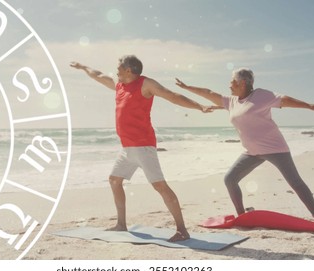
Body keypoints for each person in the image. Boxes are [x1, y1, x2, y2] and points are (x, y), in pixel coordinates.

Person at [70, 55, 217, 241]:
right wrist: (83, 66)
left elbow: (172, 96)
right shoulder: (119, 85)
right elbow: (98, 75)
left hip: (143, 146)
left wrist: (199, 107)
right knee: (114, 180)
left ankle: (182, 230)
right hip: (127, 148)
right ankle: (121, 224)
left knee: (160, 186)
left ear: (129, 70)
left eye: (119, 68)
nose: (116, 71)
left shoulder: (146, 84)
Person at [175, 68, 314, 225]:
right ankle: (242, 216)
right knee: (230, 179)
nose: (229, 85)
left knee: (295, 182)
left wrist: (309, 106)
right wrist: (187, 88)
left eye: (232, 82)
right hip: (251, 153)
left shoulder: (261, 96)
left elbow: (284, 100)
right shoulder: (231, 101)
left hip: (275, 149)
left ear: (242, 83)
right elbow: (208, 93)